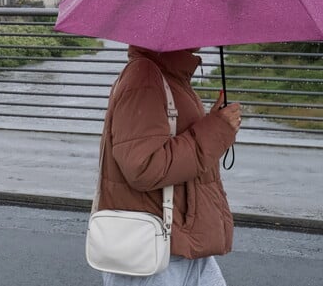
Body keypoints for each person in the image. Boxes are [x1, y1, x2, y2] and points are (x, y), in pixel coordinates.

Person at [95, 45, 241, 286]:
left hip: (182, 239)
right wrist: (216, 130)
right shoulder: (144, 78)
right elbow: (143, 166)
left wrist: (216, 125)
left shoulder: (168, 76)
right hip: (155, 250)